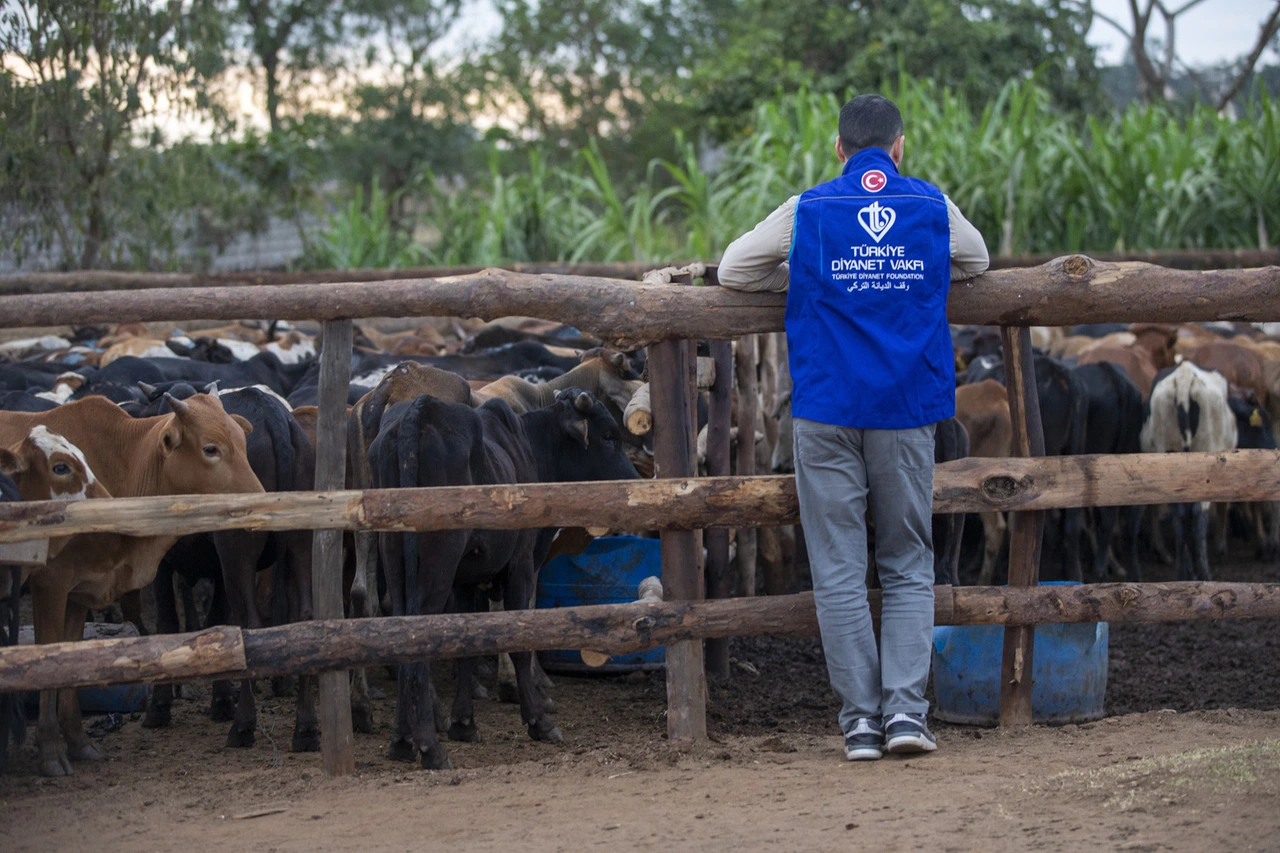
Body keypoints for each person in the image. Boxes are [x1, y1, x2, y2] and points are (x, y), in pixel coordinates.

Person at [717, 94, 989, 761]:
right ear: (900, 148)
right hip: (903, 408)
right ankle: (906, 714)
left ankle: (860, 723)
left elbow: (731, 269)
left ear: (839, 149)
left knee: (838, 568)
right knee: (905, 562)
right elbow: (977, 261)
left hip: (827, 407)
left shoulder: (809, 208)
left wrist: (803, 274)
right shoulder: (930, 206)